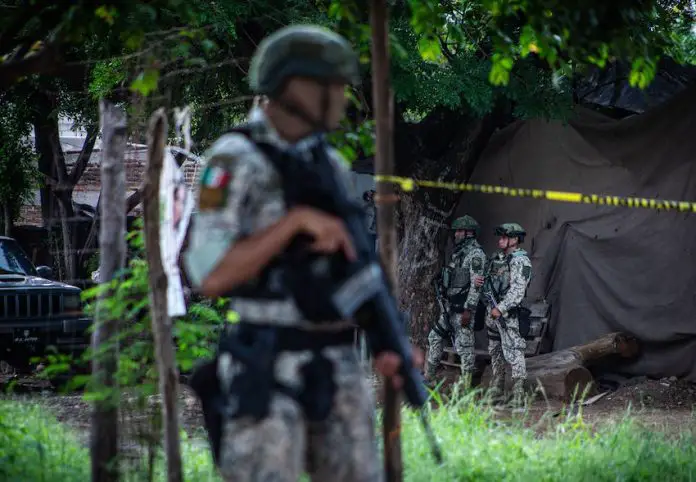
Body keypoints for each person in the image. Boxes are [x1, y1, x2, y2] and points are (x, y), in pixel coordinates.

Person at [183, 24, 421, 482]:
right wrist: (291, 224)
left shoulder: (327, 162)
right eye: (335, 87)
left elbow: (351, 267)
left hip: (336, 366)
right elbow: (209, 275)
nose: (345, 98)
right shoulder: (234, 159)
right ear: (298, 87)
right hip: (266, 367)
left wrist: (385, 338)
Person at [424, 215, 486, 388]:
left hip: (464, 310)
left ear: (469, 233)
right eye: (456, 231)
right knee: (434, 337)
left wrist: (469, 309)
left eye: (460, 231)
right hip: (450, 309)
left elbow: (476, 286)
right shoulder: (459, 254)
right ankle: (429, 378)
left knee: (465, 349)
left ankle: (467, 388)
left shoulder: (476, 255)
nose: (456, 234)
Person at [476, 223, 532, 406]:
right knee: (495, 351)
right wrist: (480, 281)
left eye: (504, 237)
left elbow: (518, 291)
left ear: (514, 240)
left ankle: (518, 394)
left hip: (508, 316)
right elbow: (491, 282)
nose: (500, 241)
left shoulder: (521, 261)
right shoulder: (497, 259)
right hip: (492, 314)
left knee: (515, 352)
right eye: (500, 237)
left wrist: (500, 308)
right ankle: (497, 389)